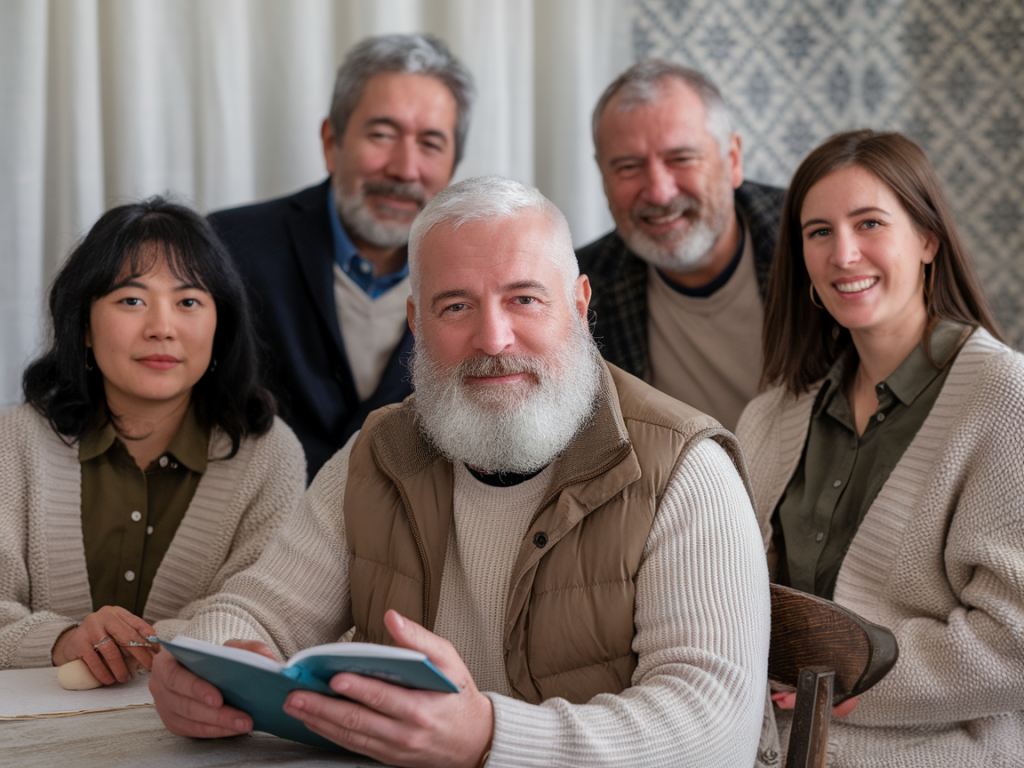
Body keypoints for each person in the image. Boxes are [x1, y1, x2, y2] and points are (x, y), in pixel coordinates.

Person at [149, 176, 771, 767]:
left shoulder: (686, 469)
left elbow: (713, 735)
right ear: (417, 323)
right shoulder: (379, 454)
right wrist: (208, 666)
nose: (493, 338)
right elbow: (258, 611)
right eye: (455, 307)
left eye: (524, 298)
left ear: (579, 305)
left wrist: (488, 739)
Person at [736, 130, 1024, 765]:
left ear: (927, 239)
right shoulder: (770, 416)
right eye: (818, 232)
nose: (843, 254)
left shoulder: (1005, 397)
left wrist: (855, 680)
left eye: (869, 223)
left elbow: (1015, 639)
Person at [0, 198, 305, 685]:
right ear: (83, 326)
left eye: (188, 302)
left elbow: (268, 611)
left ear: (219, 328)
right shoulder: (14, 443)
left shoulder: (268, 456)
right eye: (131, 300)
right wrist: (61, 640)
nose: (162, 328)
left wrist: (137, 645)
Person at [209, 34, 475, 480]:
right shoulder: (227, 248)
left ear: (452, 166)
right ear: (332, 143)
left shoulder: (482, 280)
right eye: (382, 134)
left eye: (430, 144)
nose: (405, 169)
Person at [577, 60, 785, 431]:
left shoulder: (813, 243)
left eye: (682, 159)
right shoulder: (578, 292)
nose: (659, 192)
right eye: (627, 167)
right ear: (603, 177)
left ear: (732, 160)